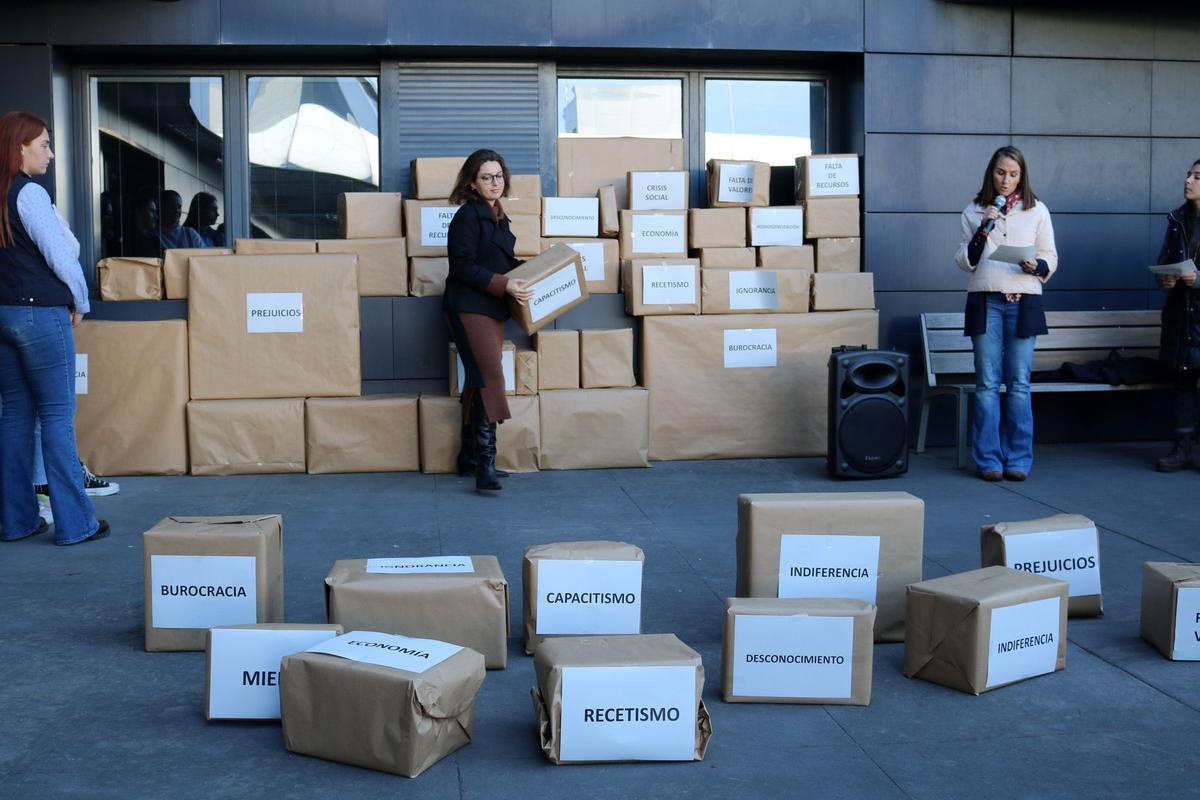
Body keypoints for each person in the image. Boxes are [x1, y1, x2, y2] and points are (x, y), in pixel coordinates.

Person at [0, 111, 108, 544]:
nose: (50, 153)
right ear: (20, 147)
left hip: (4, 314)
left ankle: (16, 521)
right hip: (39, 313)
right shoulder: (29, 193)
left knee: (14, 418)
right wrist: (81, 300)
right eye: (43, 144)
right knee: (58, 417)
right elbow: (63, 253)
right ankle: (76, 524)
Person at [954, 146, 1058, 482]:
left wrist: (1035, 266)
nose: (1006, 180)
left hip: (1023, 301)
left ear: (1022, 176)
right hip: (986, 300)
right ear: (991, 173)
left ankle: (1018, 460)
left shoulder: (1037, 209)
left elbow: (1050, 257)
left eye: (1013, 174)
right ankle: (988, 460)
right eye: (1001, 173)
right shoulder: (973, 210)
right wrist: (984, 226)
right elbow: (965, 260)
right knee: (986, 383)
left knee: (1019, 383)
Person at [444, 149, 532, 492]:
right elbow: (461, 266)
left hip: (491, 307)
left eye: (499, 176)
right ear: (472, 183)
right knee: (491, 376)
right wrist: (504, 284)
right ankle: (486, 465)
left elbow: (502, 262)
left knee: (477, 379)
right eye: (486, 177)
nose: (495, 183)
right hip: (468, 306)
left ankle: (469, 458)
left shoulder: (499, 215)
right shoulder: (467, 216)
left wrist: (538, 271)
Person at [1153, 159, 1200, 472]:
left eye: (1197, 177)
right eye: (1188, 174)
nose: (1188, 180)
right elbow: (1164, 261)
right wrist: (1166, 279)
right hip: (1182, 316)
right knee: (1183, 383)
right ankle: (1182, 449)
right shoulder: (1177, 220)